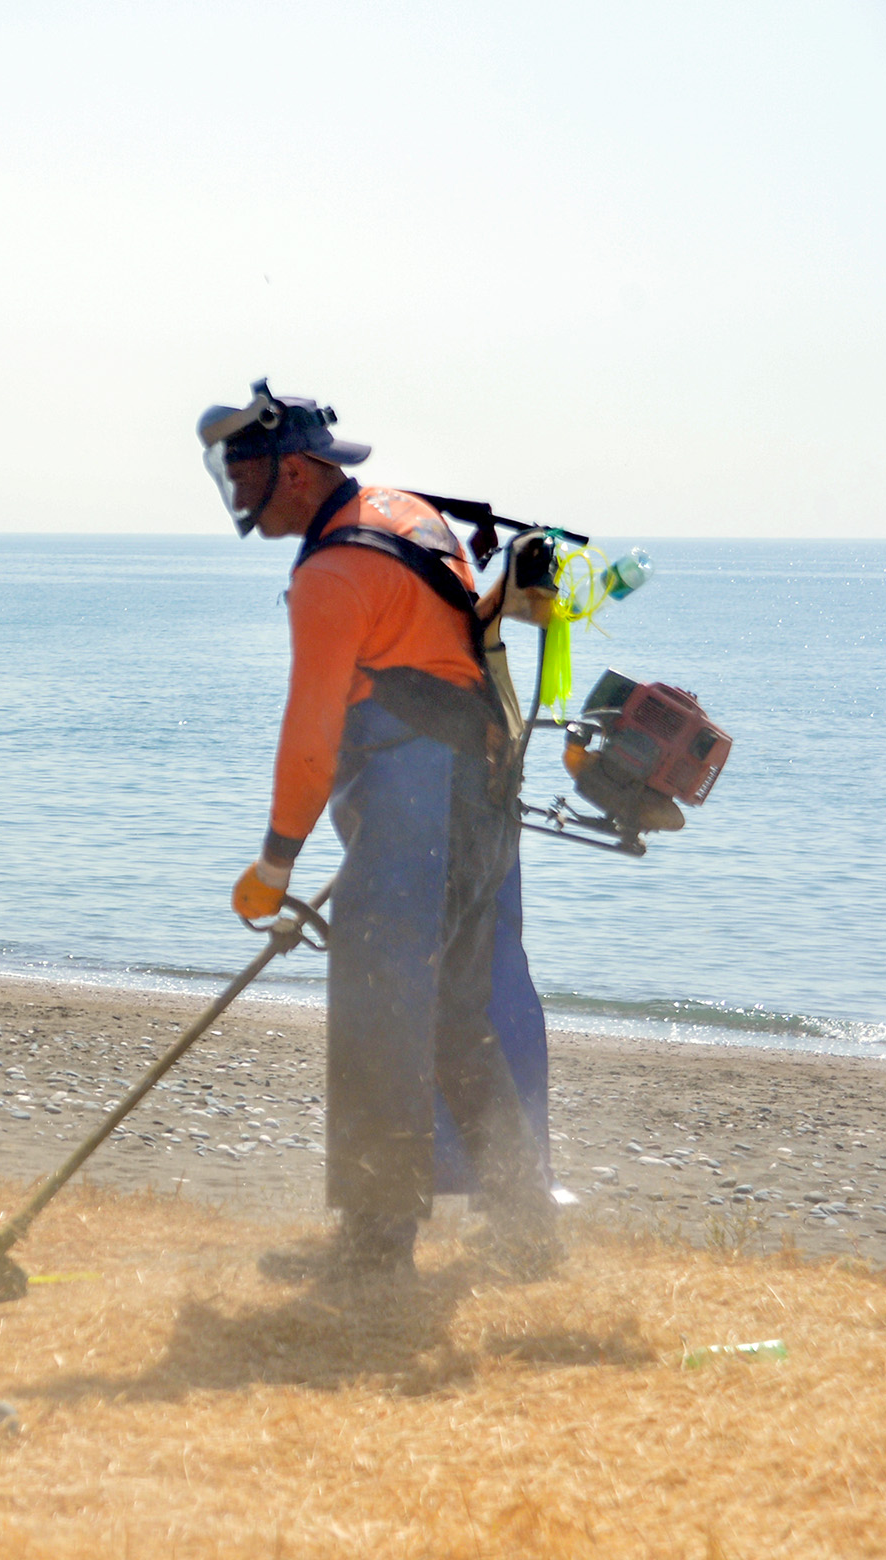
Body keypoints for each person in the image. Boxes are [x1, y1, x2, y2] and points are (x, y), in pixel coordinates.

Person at [196, 381, 559, 1280]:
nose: (236, 494)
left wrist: (275, 863)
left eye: (243, 475)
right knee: (454, 1018)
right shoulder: (407, 515)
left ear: (294, 471)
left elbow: (311, 738)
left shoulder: (330, 576)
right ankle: (524, 1225)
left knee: (381, 1011)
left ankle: (373, 1246)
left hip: (420, 807)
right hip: (479, 795)